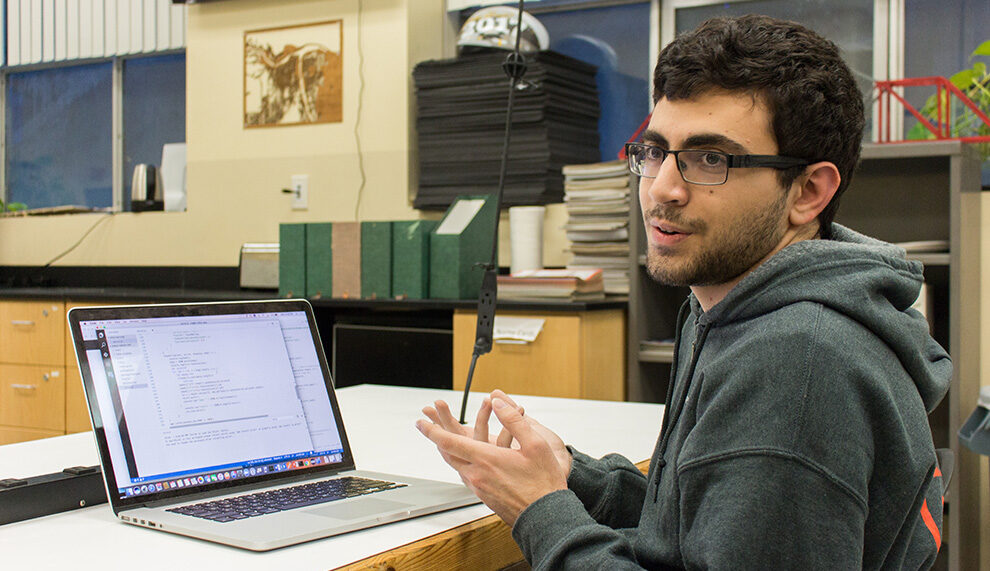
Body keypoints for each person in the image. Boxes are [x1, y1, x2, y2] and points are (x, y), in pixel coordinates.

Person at [416, 14, 951, 570]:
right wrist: (574, 477)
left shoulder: (796, 361)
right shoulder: (729, 305)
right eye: (654, 152)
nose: (663, 189)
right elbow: (700, 524)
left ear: (808, 191)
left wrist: (541, 510)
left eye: (710, 160)